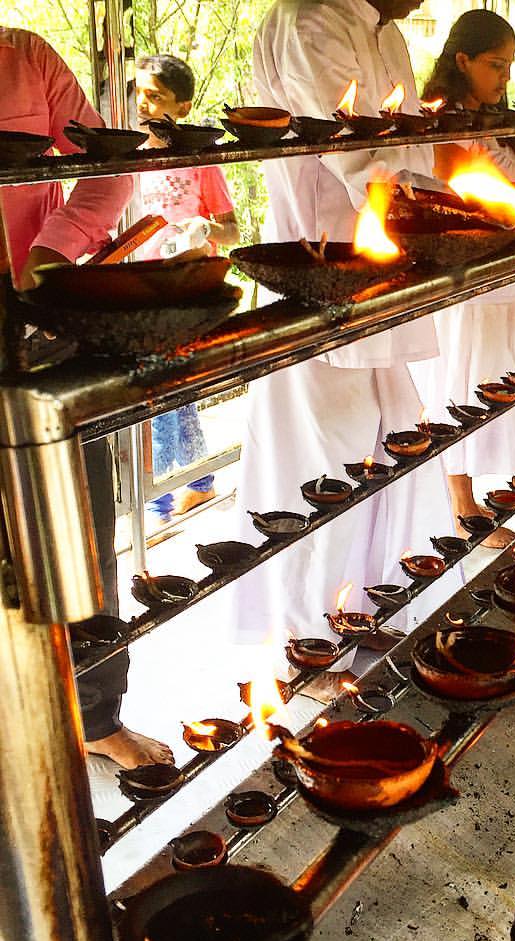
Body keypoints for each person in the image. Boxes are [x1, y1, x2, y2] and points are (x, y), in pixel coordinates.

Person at [238, 0, 452, 693]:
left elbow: (403, 151)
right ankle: (307, 650)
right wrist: (451, 211)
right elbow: (361, 158)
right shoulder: (313, 21)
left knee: (388, 457)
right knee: (321, 473)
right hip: (321, 279)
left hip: (381, 283)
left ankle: (360, 611)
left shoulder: (383, 29)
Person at [0, 26, 172, 768]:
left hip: (40, 320)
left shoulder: (25, 56)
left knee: (83, 525)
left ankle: (96, 718)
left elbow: (111, 168)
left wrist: (49, 250)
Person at [411, 10, 515, 546]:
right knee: (462, 383)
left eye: (509, 66)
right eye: (496, 65)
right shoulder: (445, 119)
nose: (505, 78)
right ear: (461, 60)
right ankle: (463, 506)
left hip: (504, 277)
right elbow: (458, 183)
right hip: (468, 280)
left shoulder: (491, 120)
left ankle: (508, 493)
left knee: (500, 378)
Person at [134, 53, 241, 526]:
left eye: (155, 95)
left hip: (187, 289)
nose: (142, 103)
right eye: (138, 91)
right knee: (168, 391)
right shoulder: (130, 156)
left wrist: (201, 227)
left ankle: (161, 503)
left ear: (182, 106)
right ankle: (196, 484)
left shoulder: (199, 161)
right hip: (143, 288)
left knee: (166, 390)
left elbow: (232, 232)